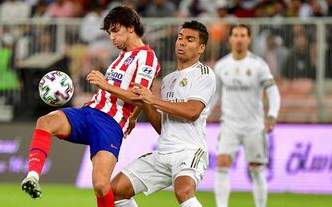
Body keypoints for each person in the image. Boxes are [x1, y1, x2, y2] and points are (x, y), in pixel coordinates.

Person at [21, 6, 160, 207]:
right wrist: (133, 117)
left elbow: (141, 97)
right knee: (45, 121)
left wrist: (106, 85)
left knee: (101, 186)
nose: (112, 37)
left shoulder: (146, 56)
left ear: (131, 28)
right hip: (89, 112)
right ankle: (32, 176)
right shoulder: (120, 57)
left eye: (115, 31)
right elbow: (137, 97)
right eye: (109, 32)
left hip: (110, 125)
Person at [110, 20, 216, 207]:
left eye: (189, 40)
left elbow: (192, 112)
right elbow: (162, 126)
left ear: (201, 48)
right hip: (164, 152)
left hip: (189, 150)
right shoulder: (168, 80)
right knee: (116, 191)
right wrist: (145, 101)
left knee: (183, 190)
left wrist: (153, 100)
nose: (182, 42)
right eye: (180, 38)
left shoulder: (204, 74)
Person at [213, 24, 281, 207]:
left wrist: (272, 115)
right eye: (235, 35)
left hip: (254, 125)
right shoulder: (221, 66)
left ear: (249, 39)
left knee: (257, 169)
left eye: (243, 35)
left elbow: (273, 91)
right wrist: (203, 114)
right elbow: (214, 95)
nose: (239, 39)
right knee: (222, 164)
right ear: (230, 39)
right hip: (229, 125)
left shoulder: (258, 65)